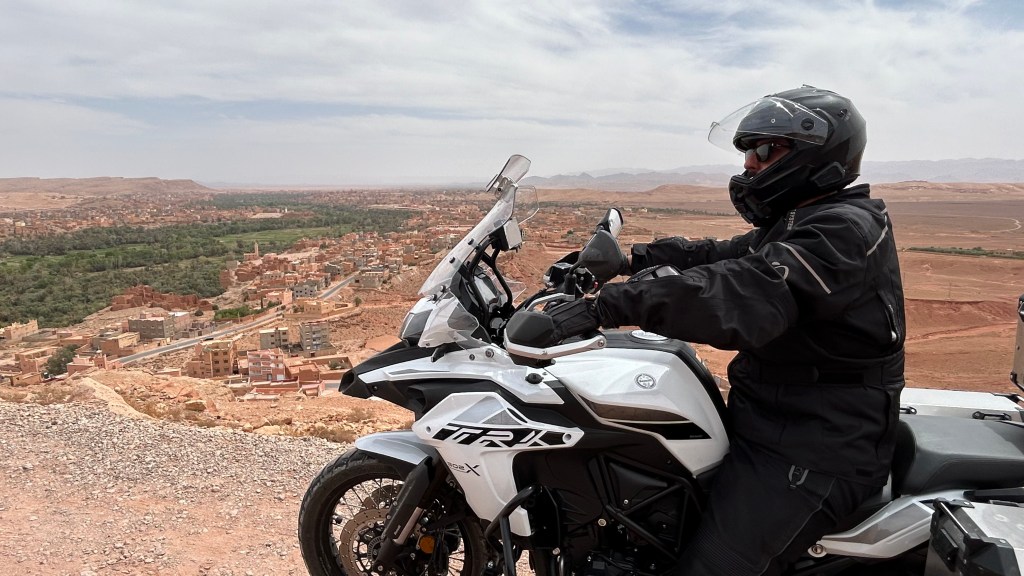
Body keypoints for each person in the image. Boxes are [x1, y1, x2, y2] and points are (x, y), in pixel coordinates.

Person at [541, 86, 906, 575]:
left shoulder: (845, 231)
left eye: (765, 150)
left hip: (817, 446)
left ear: (818, 155)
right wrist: (632, 259)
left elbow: (748, 290)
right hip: (775, 417)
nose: (750, 164)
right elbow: (721, 254)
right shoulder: (802, 221)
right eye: (748, 151)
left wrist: (606, 306)